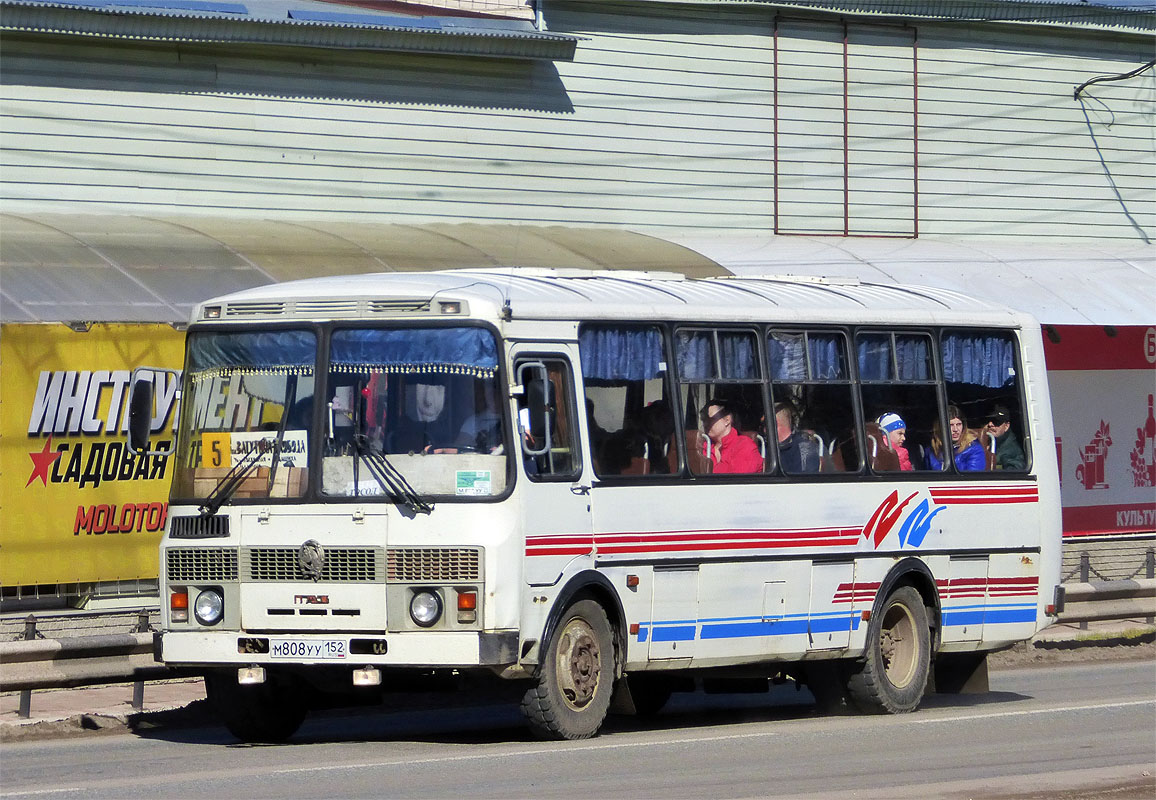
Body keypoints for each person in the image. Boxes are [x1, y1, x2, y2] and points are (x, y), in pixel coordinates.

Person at [701, 399, 763, 474]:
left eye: (710, 419)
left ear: (727, 420)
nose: (705, 424)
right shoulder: (702, 447)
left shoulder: (745, 445)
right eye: (703, 420)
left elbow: (735, 479)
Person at [927, 404, 985, 471]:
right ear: (940, 427)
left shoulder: (974, 449)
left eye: (958, 424)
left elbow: (973, 478)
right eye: (951, 425)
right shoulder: (932, 450)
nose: (955, 429)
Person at [774, 400, 821, 473]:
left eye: (764, 425)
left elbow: (805, 481)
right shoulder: (766, 447)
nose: (761, 430)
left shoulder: (804, 448)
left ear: (775, 425)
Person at [985, 404, 1026, 470]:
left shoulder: (1010, 449)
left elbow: (1013, 473)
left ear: (1006, 426)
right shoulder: (982, 441)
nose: (990, 424)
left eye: (996, 422)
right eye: (988, 420)